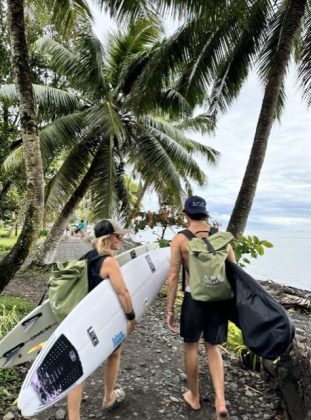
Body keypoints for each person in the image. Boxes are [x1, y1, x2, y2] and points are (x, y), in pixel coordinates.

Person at [166, 196, 236, 419]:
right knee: (213, 347)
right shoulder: (221, 238)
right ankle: (220, 401)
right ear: (206, 214)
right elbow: (234, 270)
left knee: (191, 346)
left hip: (193, 298)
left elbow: (173, 276)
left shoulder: (180, 239)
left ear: (185, 215)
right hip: (218, 300)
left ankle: (194, 397)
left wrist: (169, 310)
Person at [67, 219, 137, 420]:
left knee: (79, 369)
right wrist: (131, 317)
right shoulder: (108, 261)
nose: (121, 239)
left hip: (81, 319)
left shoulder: (86, 257)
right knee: (112, 355)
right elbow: (123, 292)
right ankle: (108, 398)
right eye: (118, 235)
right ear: (108, 238)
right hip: (101, 321)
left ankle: (74, 417)